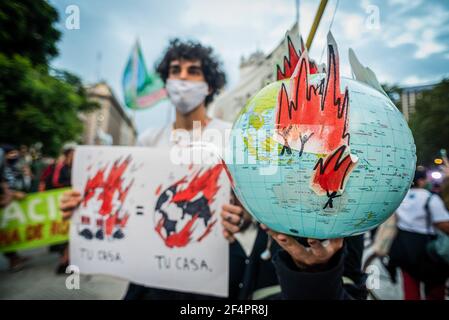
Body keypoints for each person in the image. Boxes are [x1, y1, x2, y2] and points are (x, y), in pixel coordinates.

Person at [389, 167, 449, 300]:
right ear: (421, 181)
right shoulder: (431, 198)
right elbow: (443, 224)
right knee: (435, 289)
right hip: (427, 250)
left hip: (404, 246)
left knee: (410, 288)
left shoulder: (400, 197)